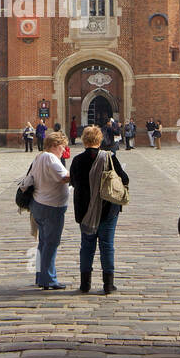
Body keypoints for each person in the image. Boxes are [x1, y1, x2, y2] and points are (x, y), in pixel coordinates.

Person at [69, 125, 129, 294]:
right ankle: (108, 285)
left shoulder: (77, 160)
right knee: (107, 245)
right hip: (108, 209)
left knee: (86, 246)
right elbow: (124, 178)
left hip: (85, 211)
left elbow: (73, 182)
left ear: (84, 140)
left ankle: (85, 284)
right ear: (100, 139)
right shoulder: (109, 158)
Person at [17, 131, 72, 289]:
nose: (64, 150)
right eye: (62, 147)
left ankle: (41, 276)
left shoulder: (40, 156)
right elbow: (63, 177)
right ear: (55, 145)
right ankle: (48, 279)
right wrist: (77, 175)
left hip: (39, 203)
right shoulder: (51, 158)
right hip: (51, 206)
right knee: (51, 243)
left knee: (43, 243)